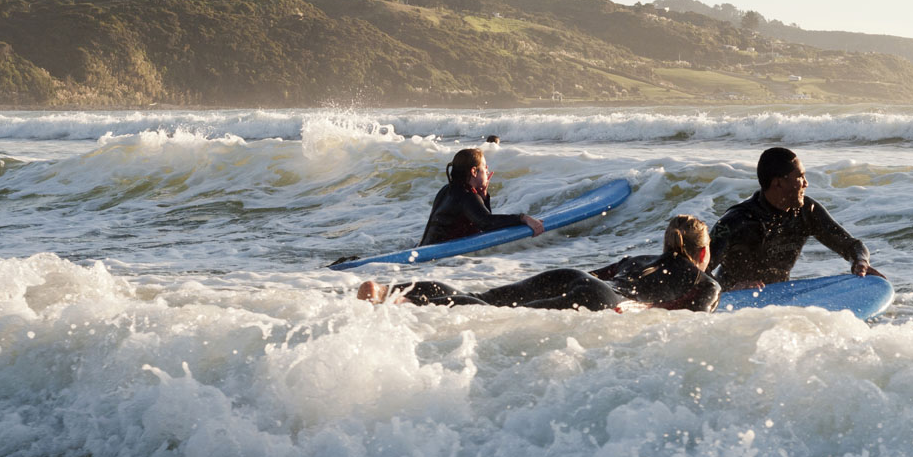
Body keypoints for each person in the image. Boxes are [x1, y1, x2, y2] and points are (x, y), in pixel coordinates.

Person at [358, 215, 720, 313]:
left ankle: (391, 292)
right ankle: (403, 304)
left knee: (485, 300)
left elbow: (595, 276)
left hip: (572, 277)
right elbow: (690, 323)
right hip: (605, 301)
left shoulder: (638, 260)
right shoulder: (706, 284)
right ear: (703, 253)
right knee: (491, 314)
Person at [708, 147, 879, 291]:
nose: (806, 183)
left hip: (779, 297)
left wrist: (860, 261)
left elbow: (851, 245)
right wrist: (733, 288)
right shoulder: (736, 221)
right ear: (778, 183)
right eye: (800, 176)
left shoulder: (807, 212)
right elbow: (699, 270)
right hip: (731, 303)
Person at [419, 148, 543, 246]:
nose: (487, 170)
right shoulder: (467, 195)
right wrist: (523, 218)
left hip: (425, 248)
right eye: (484, 166)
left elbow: (483, 221)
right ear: (474, 171)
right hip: (437, 258)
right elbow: (487, 223)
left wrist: (483, 197)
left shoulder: (446, 189)